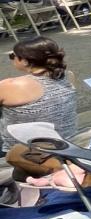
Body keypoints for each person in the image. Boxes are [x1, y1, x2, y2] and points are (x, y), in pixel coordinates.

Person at [0, 39, 77, 174]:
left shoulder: (10, 86)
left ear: (24, 61)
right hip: (66, 140)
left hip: (24, 151)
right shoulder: (67, 76)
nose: (12, 59)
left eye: (13, 56)